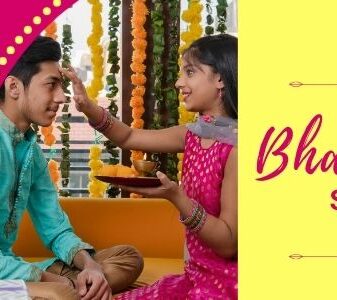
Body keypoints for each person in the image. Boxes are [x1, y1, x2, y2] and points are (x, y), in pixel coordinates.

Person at [64, 34, 238, 299]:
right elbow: (129, 137)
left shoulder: (239, 148)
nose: (179, 83)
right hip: (194, 278)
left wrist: (176, 196)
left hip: (225, 285)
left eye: (190, 72)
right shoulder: (192, 134)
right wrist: (88, 107)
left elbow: (227, 244)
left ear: (220, 79)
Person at [0, 36, 144, 300]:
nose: (62, 96)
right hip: (7, 276)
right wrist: (50, 281)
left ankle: (79, 290)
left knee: (127, 258)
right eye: (51, 85)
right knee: (65, 292)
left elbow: (54, 227)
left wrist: (90, 267)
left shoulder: (30, 150)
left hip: (14, 270)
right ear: (13, 87)